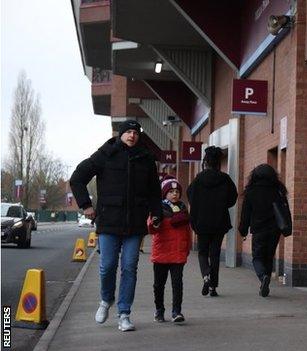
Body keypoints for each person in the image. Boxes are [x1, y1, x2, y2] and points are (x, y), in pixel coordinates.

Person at [70, 120, 162, 332]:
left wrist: (156, 213)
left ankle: (124, 314)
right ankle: (105, 300)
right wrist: (86, 205)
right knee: (107, 266)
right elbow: (77, 178)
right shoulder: (105, 154)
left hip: (135, 224)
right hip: (109, 220)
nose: (132, 136)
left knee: (130, 267)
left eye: (135, 133)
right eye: (128, 132)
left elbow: (154, 191)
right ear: (121, 134)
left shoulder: (146, 158)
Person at [187, 146, 238, 297]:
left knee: (202, 252)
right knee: (214, 254)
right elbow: (233, 198)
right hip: (219, 222)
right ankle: (213, 287)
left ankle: (206, 275)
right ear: (218, 162)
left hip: (201, 222)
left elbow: (190, 196)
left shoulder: (198, 179)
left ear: (205, 162)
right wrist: (221, 205)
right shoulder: (225, 179)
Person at [238, 164, 287, 297]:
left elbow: (245, 214)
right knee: (269, 257)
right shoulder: (278, 190)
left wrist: (243, 231)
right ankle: (266, 281)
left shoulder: (251, 191)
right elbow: (284, 210)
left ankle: (263, 277)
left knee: (257, 257)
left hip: (259, 230)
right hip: (275, 230)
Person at [148, 176, 191, 323]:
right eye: (171, 191)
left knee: (177, 283)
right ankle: (159, 310)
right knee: (159, 284)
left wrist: (187, 248)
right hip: (161, 253)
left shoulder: (183, 210)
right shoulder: (158, 209)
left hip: (178, 253)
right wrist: (153, 223)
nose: (174, 194)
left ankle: (176, 312)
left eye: (177, 191)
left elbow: (187, 232)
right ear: (164, 194)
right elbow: (152, 230)